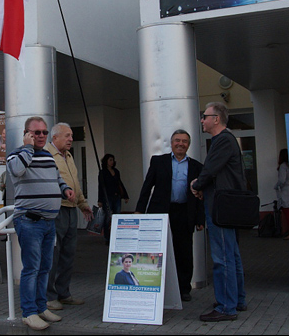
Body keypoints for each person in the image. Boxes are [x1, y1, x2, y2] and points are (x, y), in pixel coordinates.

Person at [7, 117, 75, 331]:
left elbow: (56, 178)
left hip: (48, 222)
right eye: (36, 132)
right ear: (26, 134)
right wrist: (27, 148)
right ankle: (29, 313)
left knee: (45, 268)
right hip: (29, 221)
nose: (41, 136)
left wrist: (64, 189)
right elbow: (17, 171)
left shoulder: (47, 156)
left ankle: (41, 307)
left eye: (44, 132)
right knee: (31, 268)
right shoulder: (16, 155)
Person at [190, 102, 247, 322]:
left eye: (204, 116)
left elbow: (209, 170)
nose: (202, 120)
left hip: (220, 208)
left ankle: (226, 307)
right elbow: (215, 173)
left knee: (222, 257)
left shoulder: (223, 140)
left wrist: (196, 185)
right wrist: (202, 186)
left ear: (216, 119)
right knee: (232, 254)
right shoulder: (226, 140)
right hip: (226, 206)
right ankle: (237, 300)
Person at [135, 129, 204, 301]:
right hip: (160, 213)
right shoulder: (158, 161)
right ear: (171, 143)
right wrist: (139, 210)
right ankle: (155, 286)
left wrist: (200, 218)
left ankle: (184, 289)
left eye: (184, 141)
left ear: (189, 145)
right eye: (177, 140)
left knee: (184, 252)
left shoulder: (197, 166)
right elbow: (147, 186)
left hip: (184, 213)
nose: (181, 144)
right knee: (157, 251)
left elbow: (200, 196)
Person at [44, 123, 94, 311]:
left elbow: (75, 184)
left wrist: (83, 204)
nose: (71, 139)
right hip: (56, 210)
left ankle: (63, 293)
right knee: (53, 254)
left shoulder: (69, 156)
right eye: (67, 136)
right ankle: (49, 297)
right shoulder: (46, 155)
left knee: (68, 254)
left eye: (71, 136)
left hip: (71, 210)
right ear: (55, 137)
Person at [97, 153, 129, 244]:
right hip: (107, 197)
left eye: (113, 160)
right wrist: (100, 200)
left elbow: (120, 183)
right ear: (106, 161)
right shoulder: (103, 172)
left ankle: (116, 236)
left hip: (116, 196)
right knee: (108, 217)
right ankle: (107, 237)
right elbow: (101, 186)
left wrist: (125, 195)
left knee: (117, 216)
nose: (112, 162)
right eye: (110, 160)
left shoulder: (116, 171)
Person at [274, 149, 289, 240]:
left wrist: (276, 186)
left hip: (285, 191)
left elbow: (282, 180)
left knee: (286, 210)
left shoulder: (283, 166)